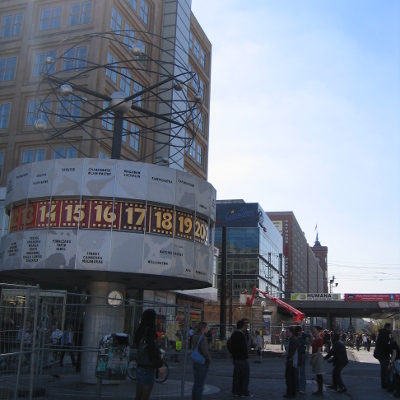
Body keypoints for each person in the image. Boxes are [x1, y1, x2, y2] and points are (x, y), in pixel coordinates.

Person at [134, 309, 164, 400]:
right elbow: (152, 349)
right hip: (148, 365)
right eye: (155, 318)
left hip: (140, 364)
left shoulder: (141, 329)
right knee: (145, 394)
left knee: (139, 393)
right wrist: (159, 365)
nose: (155, 320)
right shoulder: (149, 330)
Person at [229, 319, 253, 398]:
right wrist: (246, 357)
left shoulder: (233, 334)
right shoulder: (242, 335)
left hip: (235, 358)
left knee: (237, 376)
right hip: (242, 359)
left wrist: (232, 353)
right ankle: (244, 392)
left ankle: (237, 391)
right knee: (245, 376)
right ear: (242, 326)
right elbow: (244, 348)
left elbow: (229, 345)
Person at [191, 322, 211, 400]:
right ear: (203, 328)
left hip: (195, 361)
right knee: (200, 385)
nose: (208, 328)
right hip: (202, 361)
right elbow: (204, 350)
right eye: (207, 327)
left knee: (196, 384)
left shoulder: (195, 336)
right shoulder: (202, 337)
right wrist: (208, 359)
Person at [374, 322, 393, 389]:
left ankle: (384, 384)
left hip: (380, 354)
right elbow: (386, 345)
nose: (391, 329)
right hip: (384, 355)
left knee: (383, 369)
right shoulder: (385, 334)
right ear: (387, 328)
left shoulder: (382, 333)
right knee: (387, 369)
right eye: (390, 327)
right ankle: (387, 384)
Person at [284, 327, 301, 399]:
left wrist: (288, 359)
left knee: (289, 378)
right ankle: (291, 392)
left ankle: (290, 393)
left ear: (291, 332)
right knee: (291, 377)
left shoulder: (293, 340)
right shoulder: (292, 339)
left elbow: (292, 352)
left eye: (287, 332)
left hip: (292, 362)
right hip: (292, 362)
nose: (286, 333)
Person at [295, 325, 311, 394]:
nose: (301, 332)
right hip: (297, 354)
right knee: (296, 371)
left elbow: (310, 336)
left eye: (301, 331)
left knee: (302, 371)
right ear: (297, 332)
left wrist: (308, 344)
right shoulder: (295, 337)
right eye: (300, 331)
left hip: (302, 354)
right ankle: (297, 387)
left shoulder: (304, 335)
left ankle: (302, 388)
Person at [310, 326, 325, 396]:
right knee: (317, 374)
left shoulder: (319, 339)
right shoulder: (314, 338)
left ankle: (320, 390)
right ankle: (319, 389)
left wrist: (314, 358)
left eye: (314, 329)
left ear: (318, 331)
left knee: (319, 373)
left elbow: (319, 350)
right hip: (314, 355)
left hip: (317, 357)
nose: (313, 330)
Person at [389, 330, 400, 397]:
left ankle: (396, 392)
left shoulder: (394, 343)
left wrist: (390, 362)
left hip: (397, 361)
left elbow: (394, 355)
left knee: (396, 377)